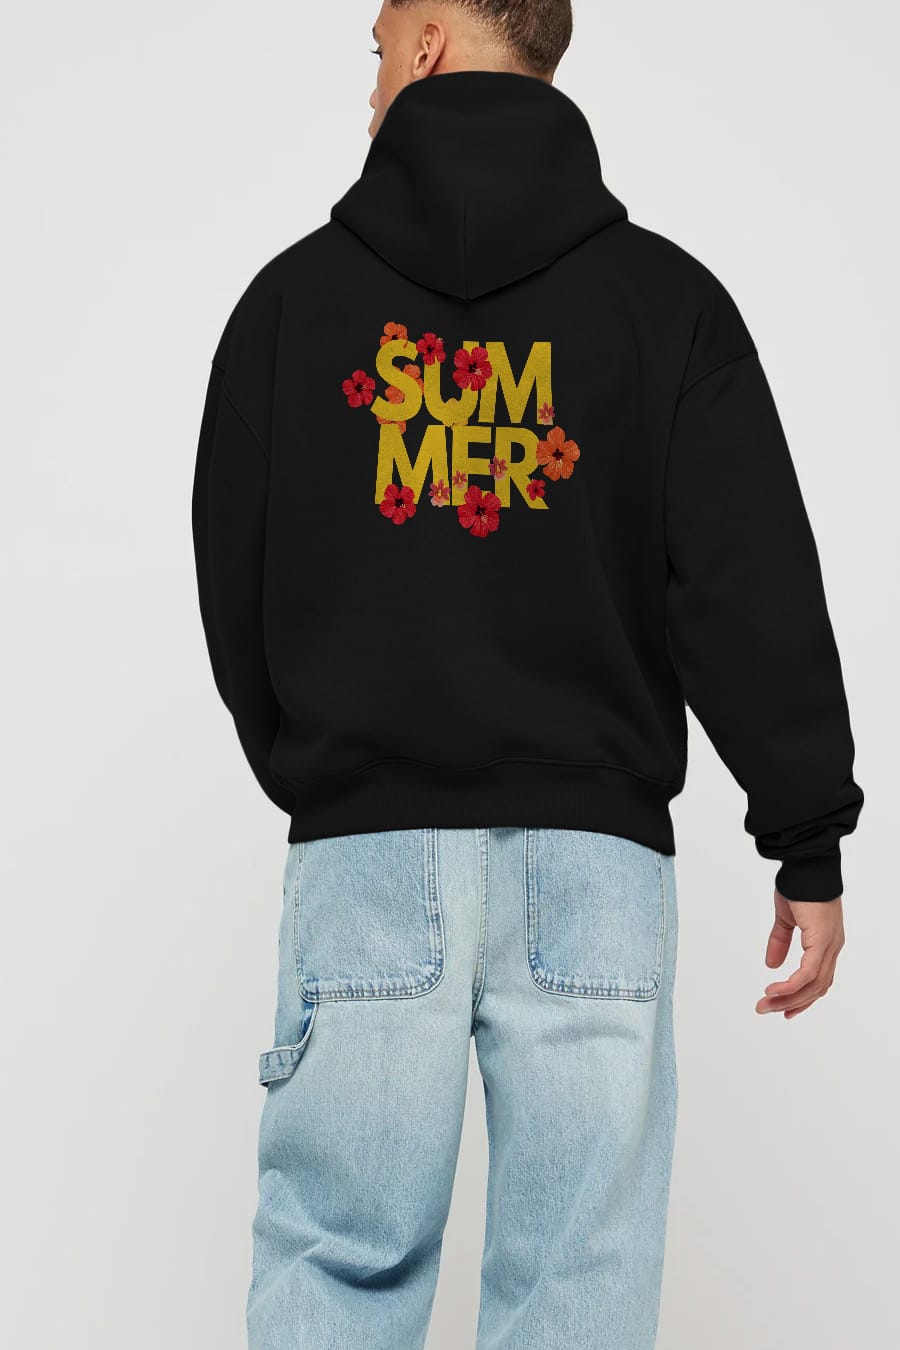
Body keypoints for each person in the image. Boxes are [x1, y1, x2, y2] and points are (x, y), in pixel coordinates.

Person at [191, 3, 864, 1346]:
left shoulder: (292, 305)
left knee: (337, 1266)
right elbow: (746, 581)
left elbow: (235, 579)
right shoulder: (666, 305)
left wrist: (337, 770)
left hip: (368, 855)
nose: (371, 75)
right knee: (578, 1290)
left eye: (380, 43)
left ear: (433, 43)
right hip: (595, 870)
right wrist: (807, 836)